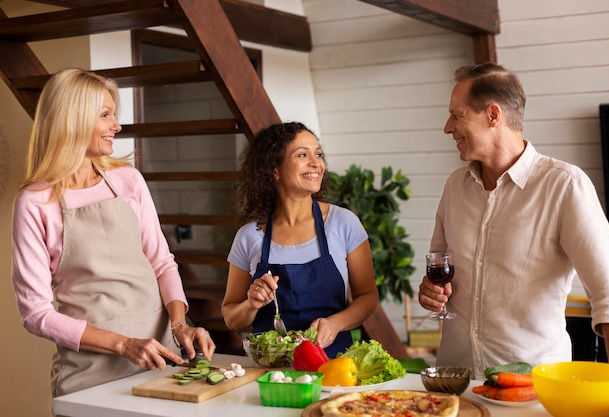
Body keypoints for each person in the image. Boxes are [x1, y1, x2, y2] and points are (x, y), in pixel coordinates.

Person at [11, 68, 215, 397]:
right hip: (89, 375)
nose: (116, 126)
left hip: (160, 363)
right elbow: (36, 313)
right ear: (72, 120)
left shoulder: (128, 180)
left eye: (114, 114)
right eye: (106, 115)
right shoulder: (35, 202)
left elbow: (162, 263)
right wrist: (123, 344)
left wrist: (180, 325)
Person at [418, 63, 609, 378]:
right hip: (458, 384)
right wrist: (430, 291)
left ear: (493, 115)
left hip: (533, 390)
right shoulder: (454, 187)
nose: (448, 127)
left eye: (457, 115)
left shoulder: (565, 185)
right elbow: (439, 273)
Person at [221, 122, 379, 358]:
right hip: (269, 373)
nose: (316, 163)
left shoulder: (343, 223)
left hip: (333, 365)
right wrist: (251, 304)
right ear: (274, 169)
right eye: (303, 155)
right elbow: (232, 318)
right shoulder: (249, 236)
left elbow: (367, 297)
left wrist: (335, 323)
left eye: (318, 154)